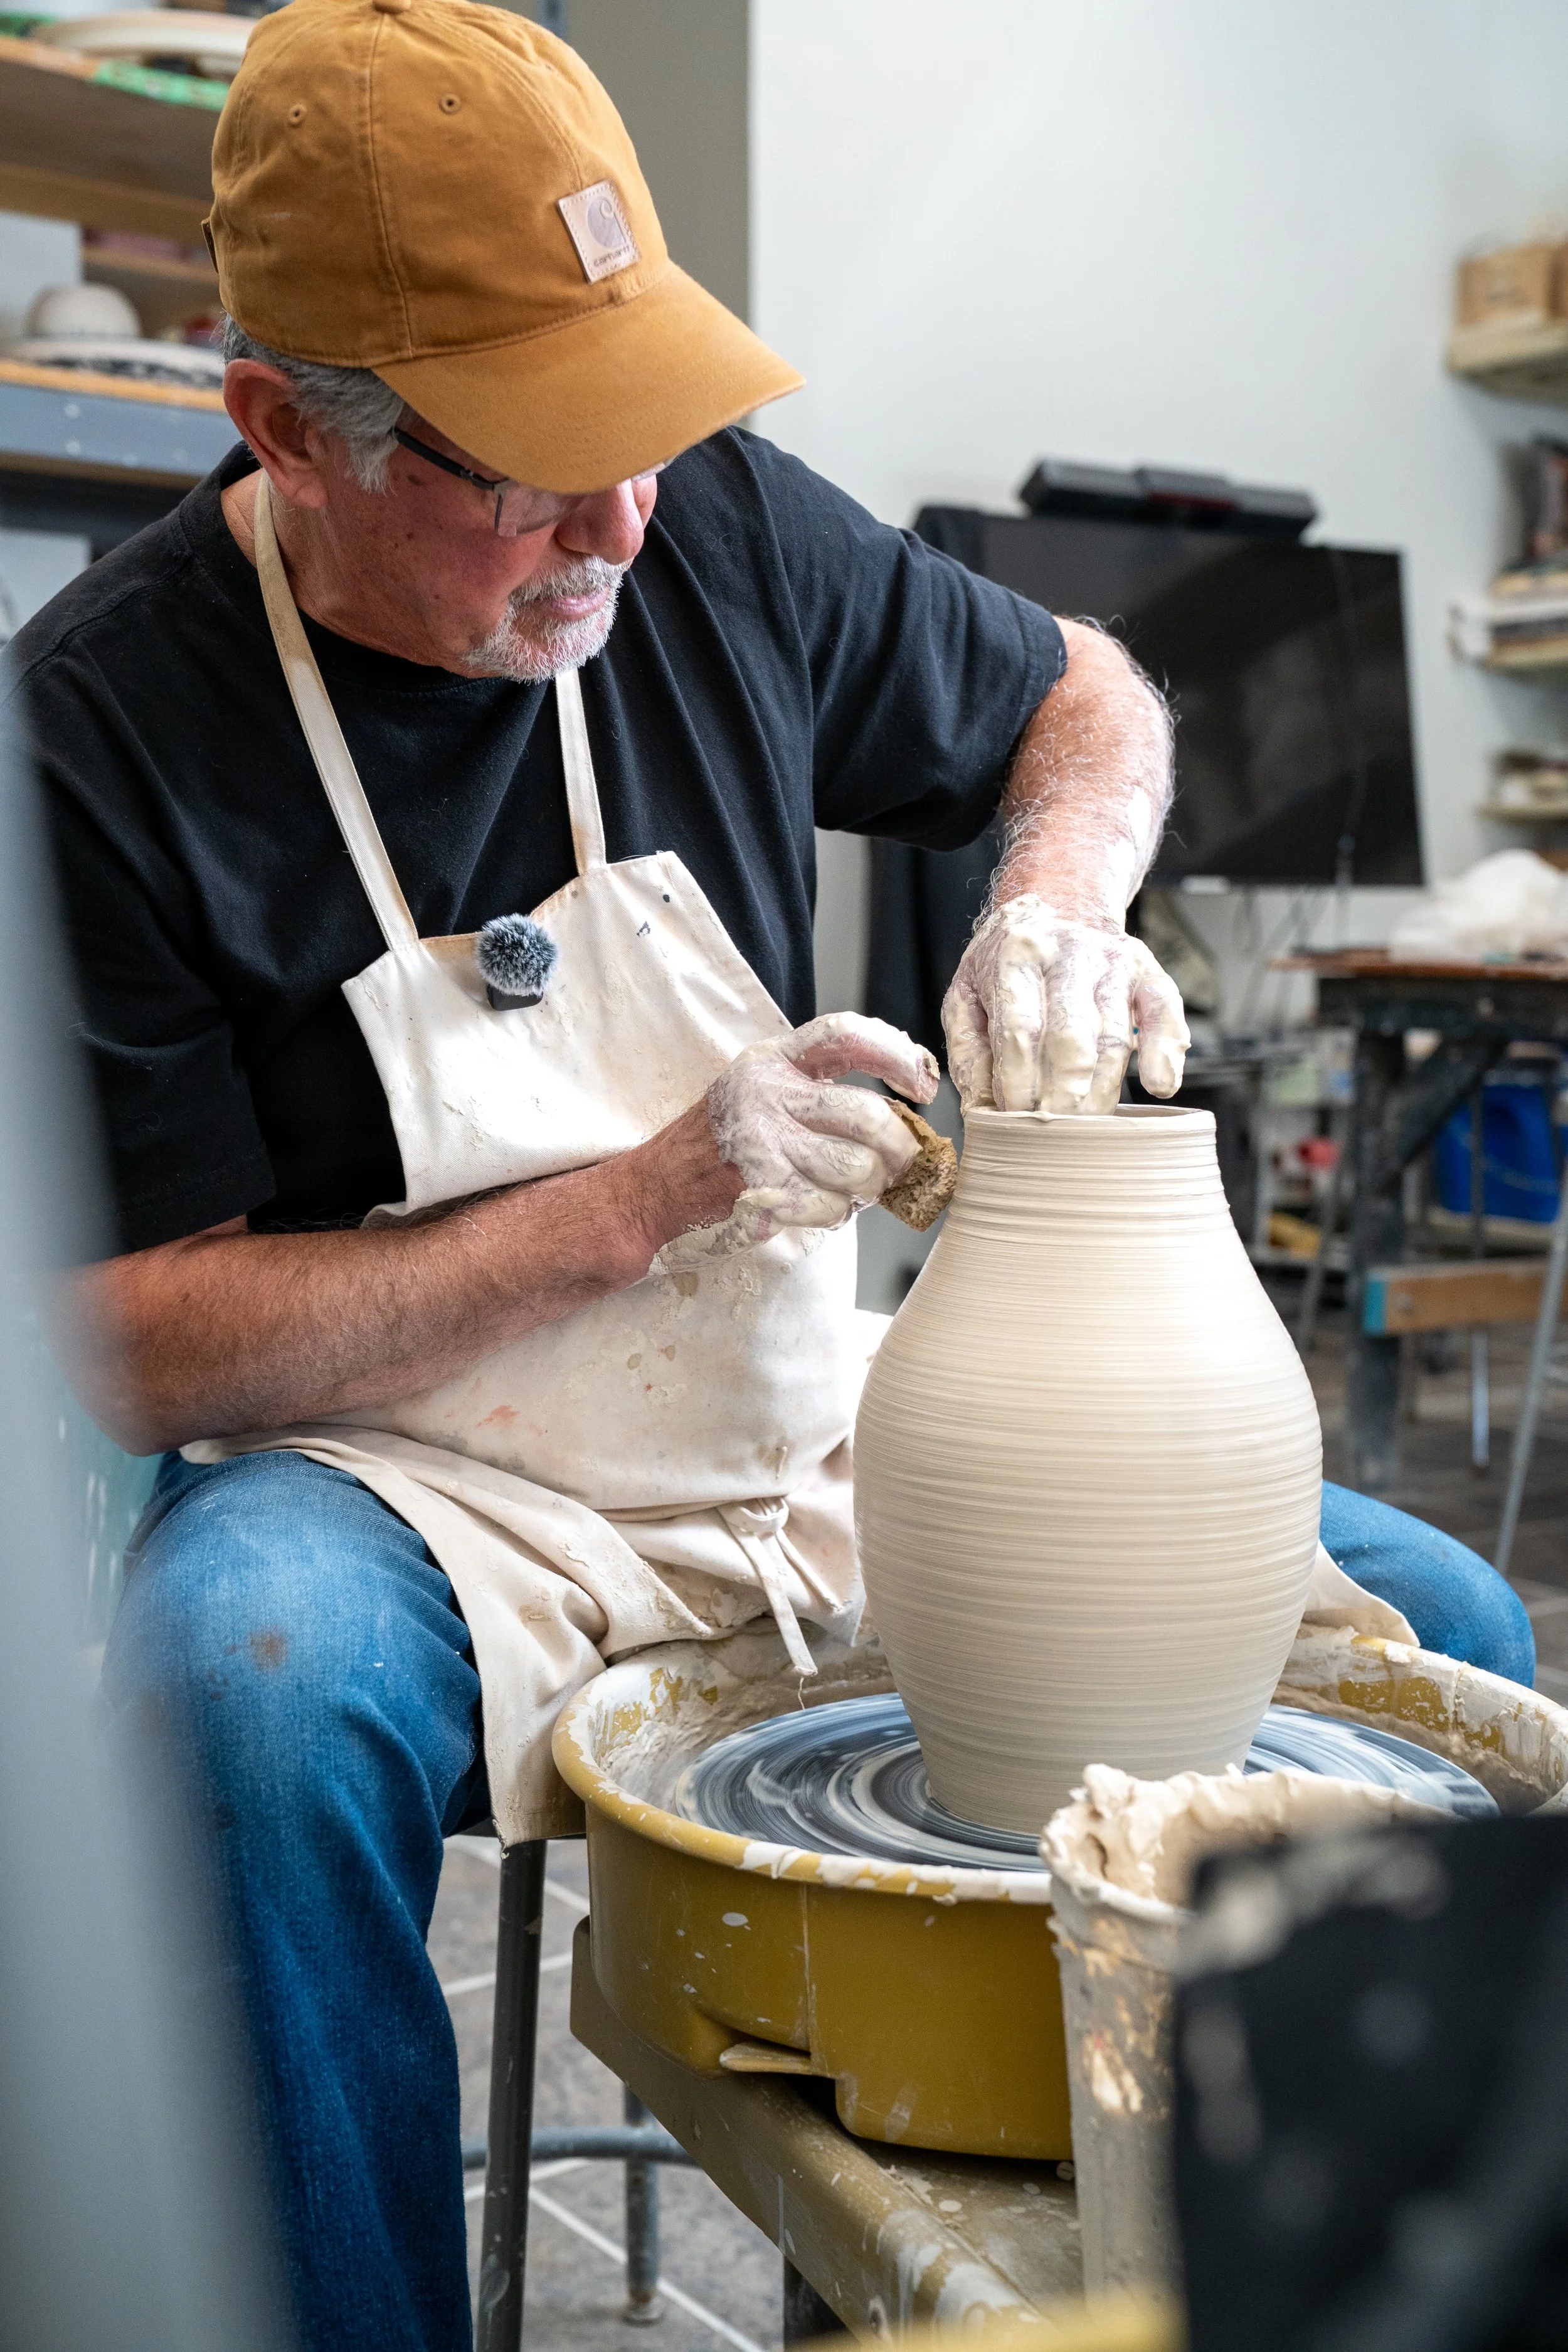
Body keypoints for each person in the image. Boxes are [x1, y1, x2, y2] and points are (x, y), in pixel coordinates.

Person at [8, 3, 1530, 2344]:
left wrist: (1052, 898)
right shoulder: (104, 729)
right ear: (285, 433)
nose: (618, 527)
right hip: (422, 1491)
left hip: (798, 1429)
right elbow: (124, 1336)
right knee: (239, 1692)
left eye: (632, 444)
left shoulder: (694, 513)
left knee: (1454, 1638)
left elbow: (1087, 697)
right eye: (525, 475)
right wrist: (644, 1193)